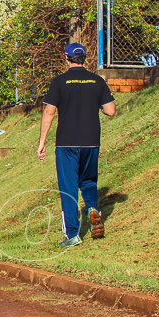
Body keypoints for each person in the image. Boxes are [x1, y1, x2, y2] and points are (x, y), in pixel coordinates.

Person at [37, 42, 116, 248]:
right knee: (89, 180)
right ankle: (92, 208)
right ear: (85, 59)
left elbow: (49, 112)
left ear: (66, 58)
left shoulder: (59, 82)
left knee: (68, 188)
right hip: (91, 141)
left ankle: (72, 234)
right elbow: (110, 111)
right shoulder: (97, 81)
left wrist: (42, 141)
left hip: (66, 143)